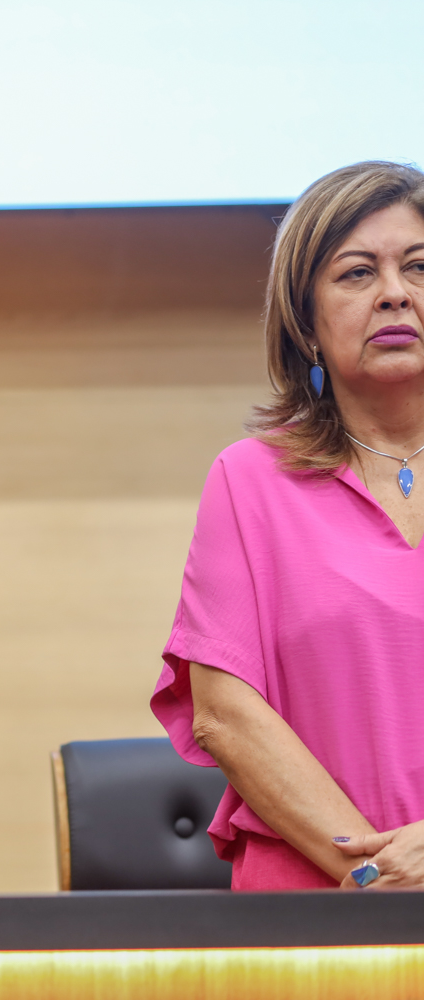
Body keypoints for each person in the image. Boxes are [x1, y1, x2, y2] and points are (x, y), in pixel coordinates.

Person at [152, 161, 424, 890]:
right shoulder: (250, 481)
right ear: (305, 324)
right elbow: (225, 714)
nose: (395, 293)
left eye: (419, 267)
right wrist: (373, 876)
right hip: (311, 904)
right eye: (357, 273)